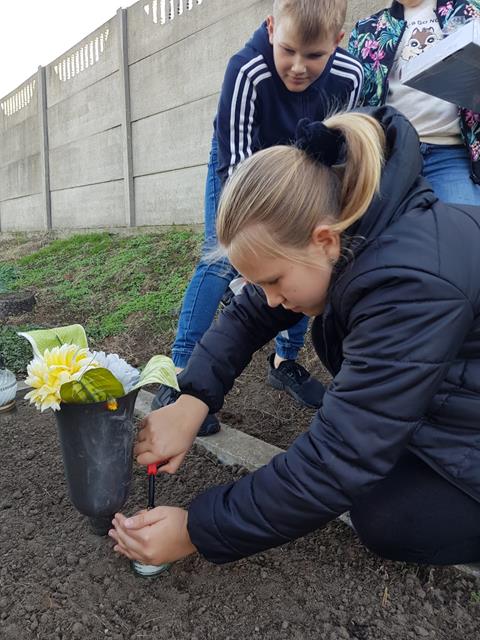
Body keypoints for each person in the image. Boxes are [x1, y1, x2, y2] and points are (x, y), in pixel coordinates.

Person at [110, 105, 480, 568]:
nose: (268, 300)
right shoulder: (357, 229)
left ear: (324, 241)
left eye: (273, 281)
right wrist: (193, 399)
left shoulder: (410, 284)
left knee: (390, 518)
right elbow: (249, 314)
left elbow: (339, 458)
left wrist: (195, 530)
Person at [152, 0, 365, 435]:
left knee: (305, 262)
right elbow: (237, 171)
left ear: (337, 42)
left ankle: (285, 362)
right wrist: (254, 252)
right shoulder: (247, 71)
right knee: (220, 259)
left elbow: (342, 154)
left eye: (314, 55)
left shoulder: (351, 75)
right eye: (287, 50)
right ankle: (180, 374)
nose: (299, 67)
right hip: (245, 163)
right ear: (271, 28)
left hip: (308, 163)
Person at [347, 0, 480, 205]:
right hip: (392, 152)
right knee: (376, 221)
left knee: (462, 220)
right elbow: (355, 100)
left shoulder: (470, 11)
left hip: (449, 150)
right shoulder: (368, 29)